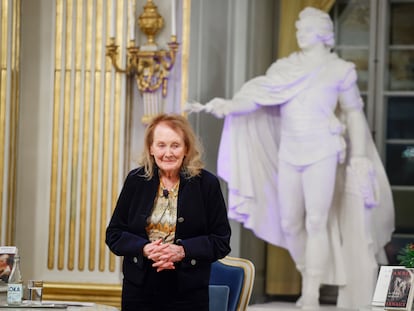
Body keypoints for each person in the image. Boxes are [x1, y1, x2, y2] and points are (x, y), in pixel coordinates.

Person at [186, 6, 394, 309]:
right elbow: (258, 98)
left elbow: (354, 113)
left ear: (323, 33)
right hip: (290, 151)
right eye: (297, 29)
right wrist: (230, 105)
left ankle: (310, 290)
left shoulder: (339, 70)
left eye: (306, 29)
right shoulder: (285, 68)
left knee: (317, 221)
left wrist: (360, 156)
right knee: (290, 221)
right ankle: (309, 273)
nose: (299, 34)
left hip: (323, 151)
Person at [105, 113, 231, 311]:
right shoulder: (136, 180)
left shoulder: (207, 184)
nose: (168, 153)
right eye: (161, 145)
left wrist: (182, 251)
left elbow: (221, 241)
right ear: (151, 148)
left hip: (188, 293)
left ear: (186, 149)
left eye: (175, 145)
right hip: (139, 291)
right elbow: (114, 235)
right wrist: (145, 248)